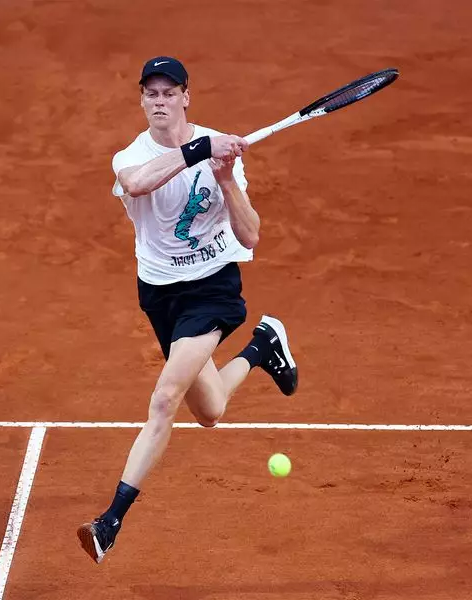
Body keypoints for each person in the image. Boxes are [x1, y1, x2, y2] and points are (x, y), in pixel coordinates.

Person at [77, 56, 299, 563]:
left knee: (164, 399)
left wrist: (226, 179)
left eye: (169, 92)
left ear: (185, 97)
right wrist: (200, 150)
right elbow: (139, 183)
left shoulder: (220, 151)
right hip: (160, 293)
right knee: (210, 411)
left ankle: (110, 522)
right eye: (151, 93)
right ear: (142, 100)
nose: (160, 101)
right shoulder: (130, 156)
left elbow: (250, 235)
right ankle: (264, 346)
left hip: (212, 289)